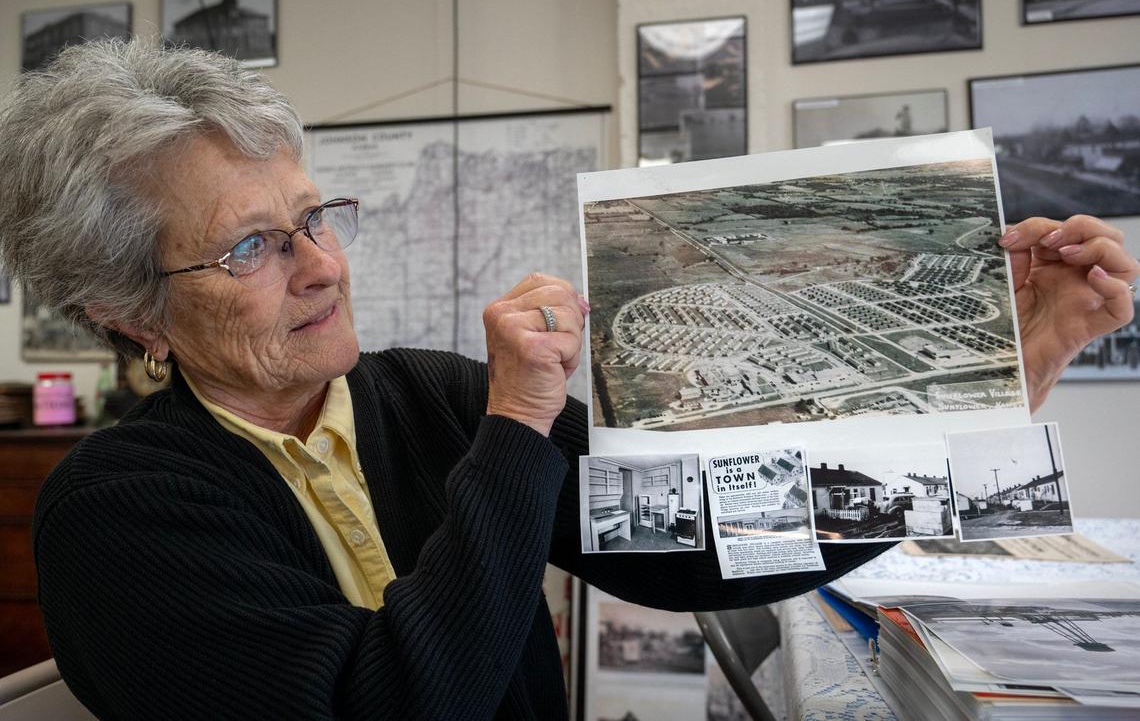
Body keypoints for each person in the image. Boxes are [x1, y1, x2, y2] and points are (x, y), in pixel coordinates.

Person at [0, 39, 1134, 720]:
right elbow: (405, 703)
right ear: (126, 311)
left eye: (311, 219)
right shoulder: (116, 513)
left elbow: (710, 548)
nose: (319, 268)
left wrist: (999, 369)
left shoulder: (428, 396)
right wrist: (518, 425)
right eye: (251, 246)